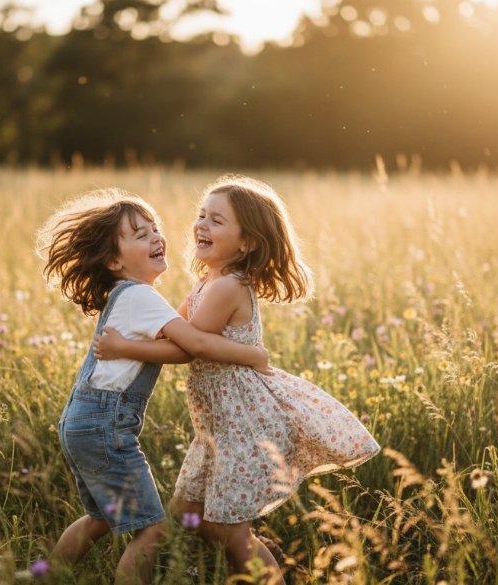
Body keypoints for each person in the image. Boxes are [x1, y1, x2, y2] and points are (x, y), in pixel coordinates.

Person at [95, 175, 381, 583]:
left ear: (246, 242)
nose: (201, 226)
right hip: (219, 426)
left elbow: (191, 345)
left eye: (216, 220)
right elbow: (171, 327)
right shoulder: (208, 282)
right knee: (192, 516)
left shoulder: (228, 286)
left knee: (227, 529)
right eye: (201, 216)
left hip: (243, 423)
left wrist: (126, 348)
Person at [35, 189, 271, 585]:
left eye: (155, 228)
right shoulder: (142, 296)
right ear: (114, 260)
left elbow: (182, 334)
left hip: (83, 422)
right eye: (140, 235)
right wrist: (254, 355)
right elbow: (190, 345)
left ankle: (45, 578)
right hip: (105, 425)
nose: (156, 237)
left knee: (99, 520)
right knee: (152, 530)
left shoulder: (133, 296)